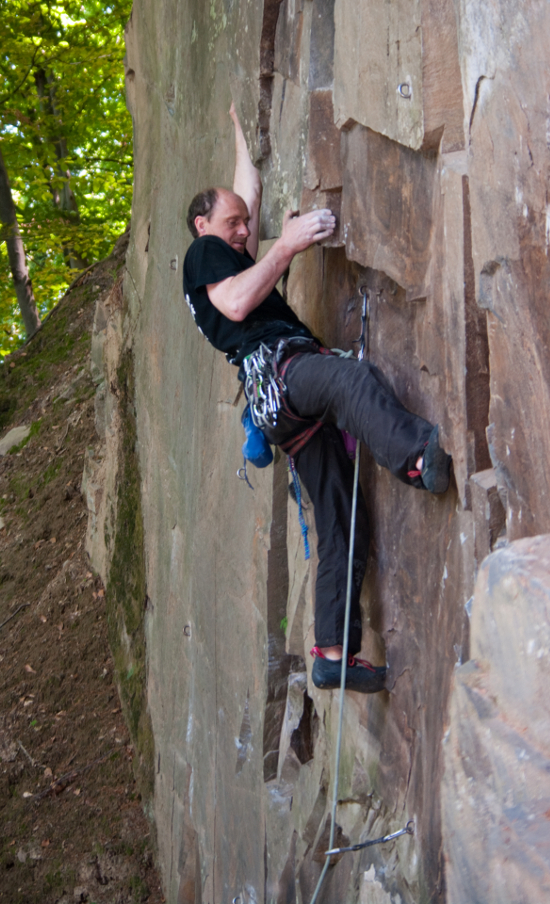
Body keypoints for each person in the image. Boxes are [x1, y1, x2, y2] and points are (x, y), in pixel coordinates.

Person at [183, 105, 451, 693]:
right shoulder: (204, 257)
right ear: (202, 225)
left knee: (340, 518)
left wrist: (236, 128)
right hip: (281, 374)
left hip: (279, 410)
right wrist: (286, 247)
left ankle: (332, 653)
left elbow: (244, 190)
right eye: (230, 224)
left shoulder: (226, 247)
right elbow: (234, 304)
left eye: (242, 226)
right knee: (349, 381)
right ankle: (415, 455)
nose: (242, 230)